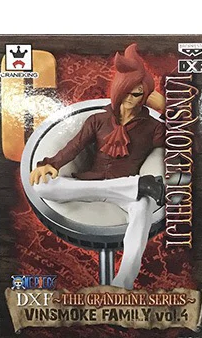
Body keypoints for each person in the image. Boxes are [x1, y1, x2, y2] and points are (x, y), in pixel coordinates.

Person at [28, 43, 189, 290]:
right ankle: (136, 185)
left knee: (143, 207)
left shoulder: (153, 127)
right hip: (93, 183)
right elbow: (74, 146)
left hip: (127, 195)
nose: (130, 100)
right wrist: (50, 164)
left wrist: (166, 105)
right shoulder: (98, 119)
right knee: (41, 187)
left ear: (145, 95)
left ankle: (122, 285)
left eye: (137, 94)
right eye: (126, 92)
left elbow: (183, 140)